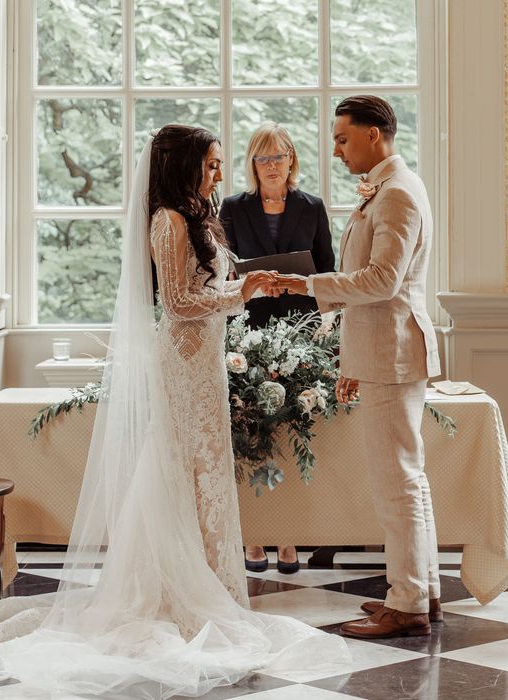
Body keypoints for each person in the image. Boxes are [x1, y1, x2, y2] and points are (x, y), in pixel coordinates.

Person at [0, 125, 348, 697]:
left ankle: (213, 586)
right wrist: (243, 290)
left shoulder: (198, 215)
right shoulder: (167, 221)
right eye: (213, 163)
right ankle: (174, 591)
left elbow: (207, 291)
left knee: (206, 469)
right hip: (182, 360)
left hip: (203, 360)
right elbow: (176, 302)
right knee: (180, 465)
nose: (222, 173)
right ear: (185, 166)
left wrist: (250, 285)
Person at [274, 95, 442, 639]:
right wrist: (350, 359)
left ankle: (409, 602)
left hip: (393, 353)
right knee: (404, 480)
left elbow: (382, 282)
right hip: (379, 351)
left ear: (375, 134)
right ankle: (421, 590)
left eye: (344, 139)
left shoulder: (396, 194)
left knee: (398, 483)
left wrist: (306, 284)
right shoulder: (389, 190)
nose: (338, 150)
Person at [220, 121, 336, 575]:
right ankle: (254, 538)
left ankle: (288, 537)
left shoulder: (312, 207)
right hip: (247, 330)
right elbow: (223, 271)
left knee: (290, 429)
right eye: (263, 158)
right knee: (251, 432)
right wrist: (248, 284)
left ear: (292, 159)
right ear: (253, 164)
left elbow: (327, 269)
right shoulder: (232, 207)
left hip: (299, 329)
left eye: (279, 156)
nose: (272, 165)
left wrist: (297, 287)